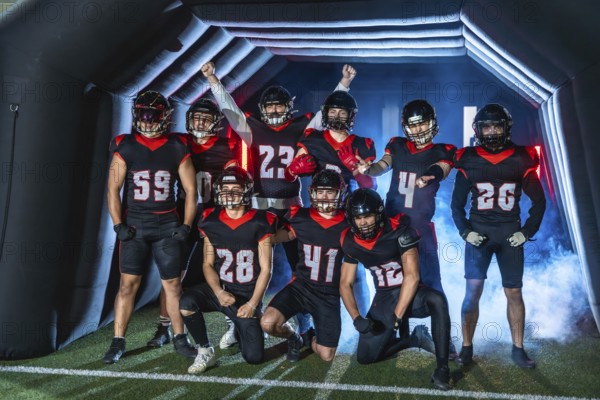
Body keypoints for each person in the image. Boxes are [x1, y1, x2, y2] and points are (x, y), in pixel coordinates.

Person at [203, 61, 357, 342]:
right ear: (263, 109)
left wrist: (343, 83)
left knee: (301, 263)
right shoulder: (253, 128)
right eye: (270, 106)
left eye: (278, 105)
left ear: (289, 107)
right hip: (259, 205)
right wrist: (214, 80)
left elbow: (326, 115)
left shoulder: (301, 128)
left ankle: (304, 317)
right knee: (244, 266)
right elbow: (230, 111)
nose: (274, 110)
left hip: (290, 205)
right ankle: (238, 319)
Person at [104, 90, 198, 364]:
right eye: (143, 114)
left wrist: (187, 224)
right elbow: (113, 188)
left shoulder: (178, 145)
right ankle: (117, 341)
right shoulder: (126, 144)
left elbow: (191, 191)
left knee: (173, 286)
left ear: (165, 117)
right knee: (127, 285)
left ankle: (180, 338)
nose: (146, 120)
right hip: (135, 225)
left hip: (167, 224)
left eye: (152, 114)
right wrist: (118, 223)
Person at [451, 103, 546, 368]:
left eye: (497, 126)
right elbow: (456, 205)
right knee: (472, 291)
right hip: (479, 234)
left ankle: (517, 348)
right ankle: (467, 348)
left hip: (508, 234)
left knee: (514, 291)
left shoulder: (521, 157)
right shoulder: (467, 158)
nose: (492, 131)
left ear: (507, 128)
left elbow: (539, 202)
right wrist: (465, 232)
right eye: (487, 126)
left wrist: (527, 232)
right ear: (478, 129)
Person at [146, 98, 241, 349]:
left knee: (226, 273)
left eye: (205, 118)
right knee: (172, 276)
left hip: (215, 218)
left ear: (216, 124)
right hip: (181, 218)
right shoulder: (178, 142)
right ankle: (164, 327)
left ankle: (233, 323)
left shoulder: (228, 146)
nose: (199, 122)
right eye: (196, 117)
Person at [340, 189, 451, 391]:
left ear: (379, 213)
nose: (363, 222)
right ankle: (412, 339)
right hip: (384, 296)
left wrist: (397, 316)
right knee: (366, 357)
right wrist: (356, 318)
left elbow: (412, 276)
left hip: (412, 292)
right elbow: (345, 283)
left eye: (368, 216)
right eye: (358, 218)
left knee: (437, 300)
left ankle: (442, 368)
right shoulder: (349, 241)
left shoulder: (400, 231)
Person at [180, 166, 276, 373]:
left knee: (254, 357)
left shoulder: (261, 221)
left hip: (246, 297)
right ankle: (205, 351)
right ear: (218, 191)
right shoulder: (210, 219)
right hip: (222, 289)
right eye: (225, 188)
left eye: (236, 188)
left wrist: (252, 304)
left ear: (247, 191)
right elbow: (207, 264)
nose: (229, 193)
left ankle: (246, 322)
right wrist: (218, 291)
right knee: (186, 302)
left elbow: (267, 269)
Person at [261, 169, 348, 362]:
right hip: (301, 287)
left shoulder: (349, 222)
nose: (325, 197)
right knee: (268, 323)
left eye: (330, 192)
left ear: (340, 193)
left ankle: (311, 336)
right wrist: (260, 231)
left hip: (329, 294)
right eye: (320, 192)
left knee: (326, 355)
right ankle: (295, 337)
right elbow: (275, 238)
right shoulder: (300, 217)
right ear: (313, 193)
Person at [286, 91, 376, 190]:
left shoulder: (362, 144)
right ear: (326, 113)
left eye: (342, 112)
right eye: (333, 112)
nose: (337, 117)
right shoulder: (312, 138)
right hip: (319, 202)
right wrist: (293, 170)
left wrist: (355, 169)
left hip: (349, 203)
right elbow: (289, 177)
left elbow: (371, 187)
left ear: (350, 116)